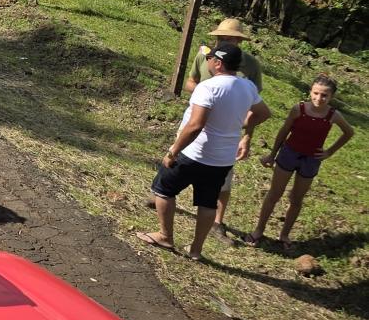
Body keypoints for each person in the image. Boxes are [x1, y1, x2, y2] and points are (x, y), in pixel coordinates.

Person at [139, 43, 270, 262]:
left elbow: (195, 126)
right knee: (208, 203)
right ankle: (196, 250)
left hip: (194, 154)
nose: (207, 61)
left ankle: (165, 236)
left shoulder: (209, 87)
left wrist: (173, 151)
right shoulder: (247, 87)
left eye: (210, 58)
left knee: (163, 189)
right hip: (222, 160)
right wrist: (241, 124)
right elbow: (263, 113)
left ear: (218, 63)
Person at [251, 76, 355, 249]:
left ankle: (284, 235)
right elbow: (284, 131)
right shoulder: (298, 109)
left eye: (324, 95)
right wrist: (272, 154)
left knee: (296, 198)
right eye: (315, 93)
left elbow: (348, 132)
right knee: (275, 193)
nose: (318, 98)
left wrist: (330, 151)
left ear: (331, 97)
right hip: (289, 154)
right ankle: (259, 230)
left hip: (311, 160)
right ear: (310, 92)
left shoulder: (333, 115)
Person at [186, 16, 263, 236]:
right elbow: (190, 82)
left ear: (239, 43)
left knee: (223, 175)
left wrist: (247, 136)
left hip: (228, 128)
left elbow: (255, 105)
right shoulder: (204, 56)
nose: (225, 43)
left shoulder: (250, 65)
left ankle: (217, 222)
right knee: (180, 159)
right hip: (197, 118)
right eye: (222, 39)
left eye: (231, 40)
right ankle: (163, 195)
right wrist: (205, 92)